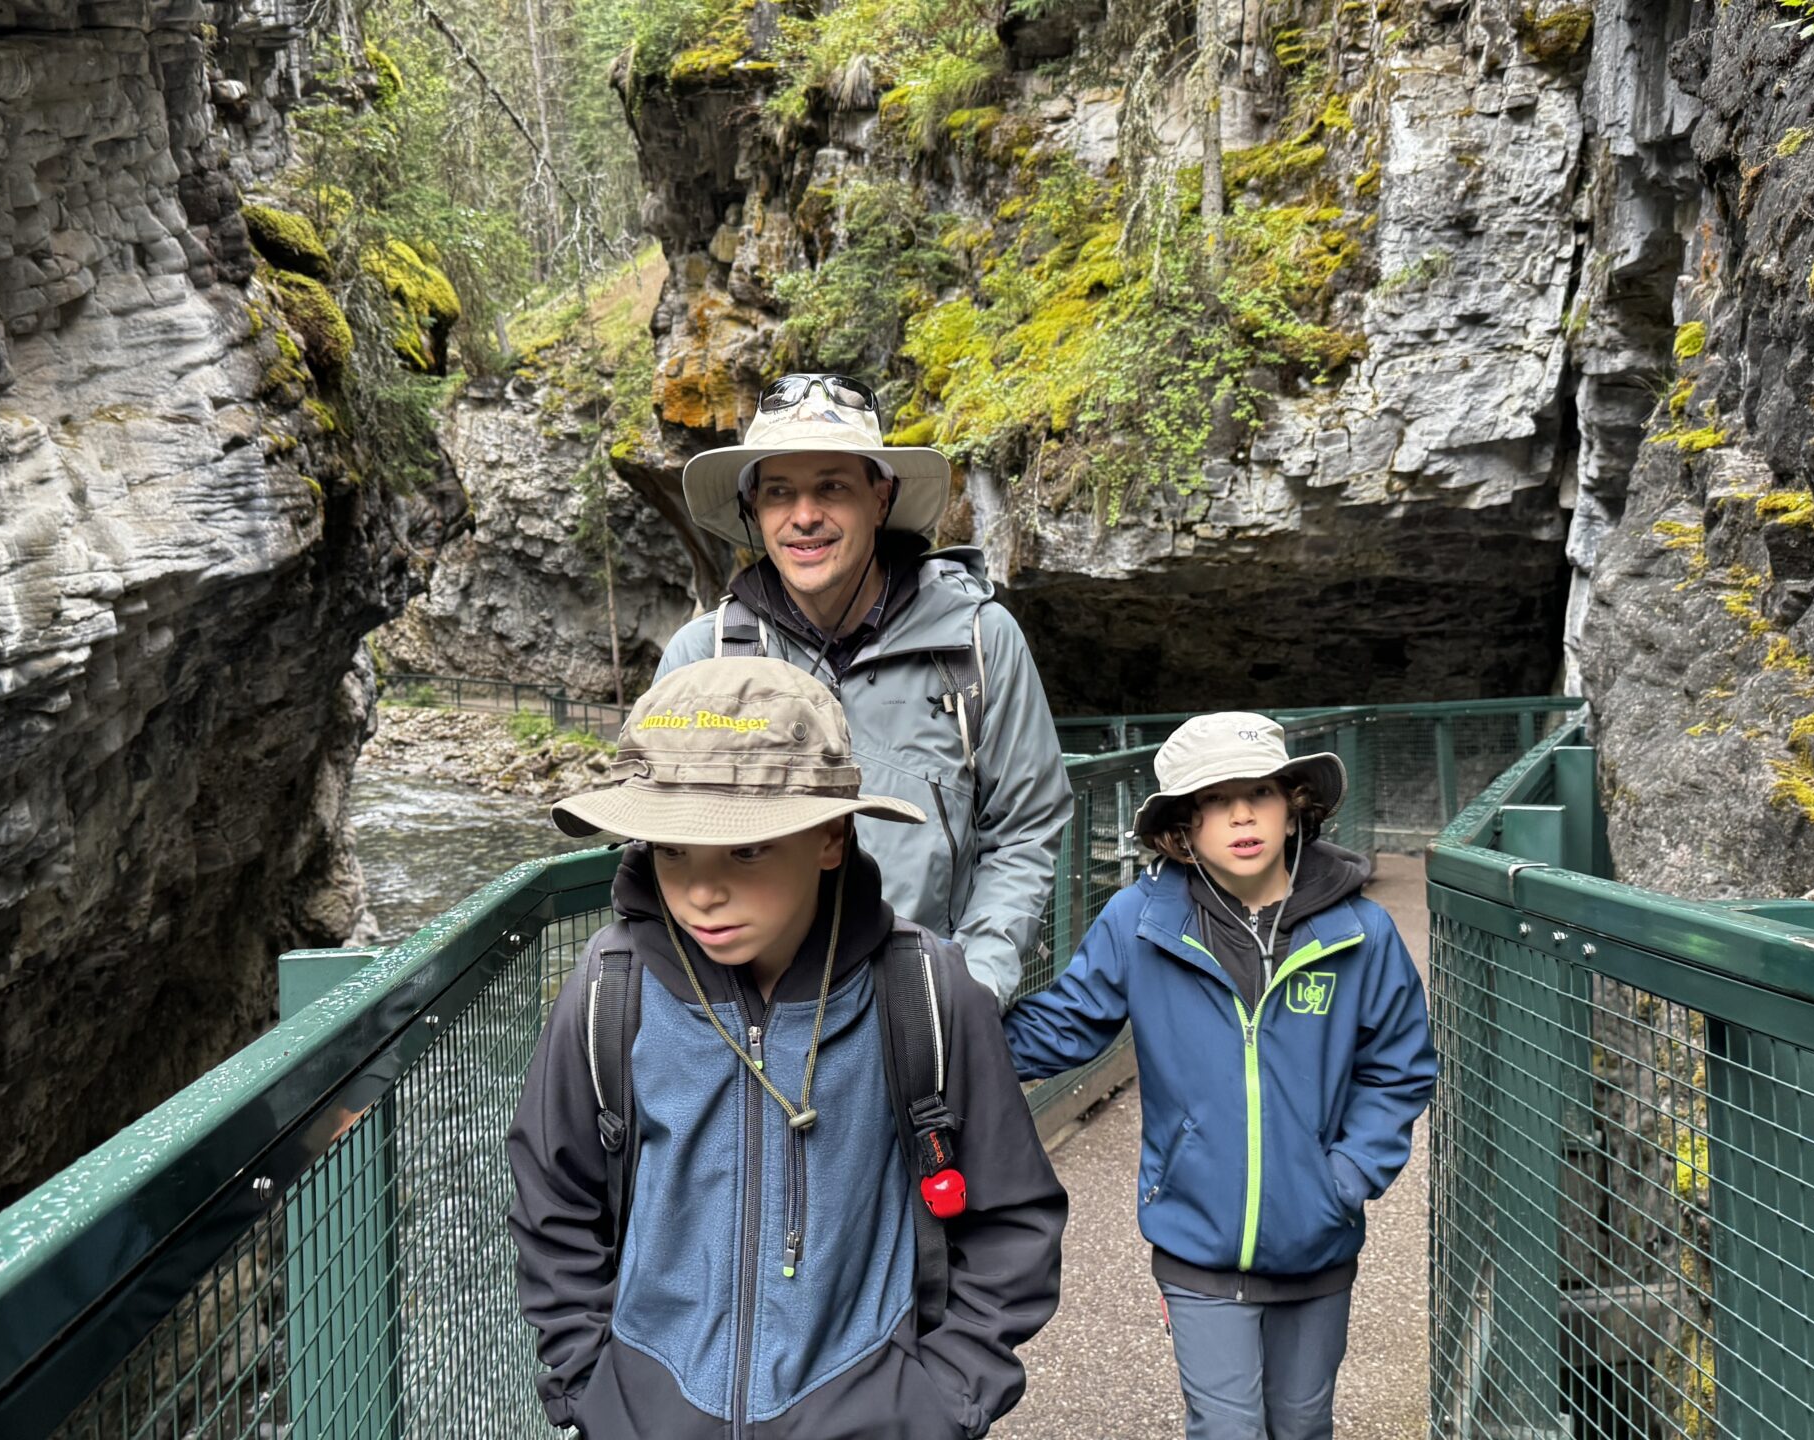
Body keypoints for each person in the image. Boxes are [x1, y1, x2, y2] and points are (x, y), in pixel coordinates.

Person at [508, 657, 1068, 1440]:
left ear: (831, 836)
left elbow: (1012, 1216)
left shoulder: (925, 990)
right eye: (673, 849)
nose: (702, 891)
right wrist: (591, 1389)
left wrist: (940, 1403)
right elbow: (554, 1204)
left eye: (745, 850)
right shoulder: (610, 990)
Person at [1001, 712, 1437, 1440]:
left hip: (1320, 1243)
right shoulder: (1141, 922)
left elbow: (1399, 1063)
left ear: (1294, 807)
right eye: (1215, 799)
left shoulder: (1361, 931)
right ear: (1183, 828)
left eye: (1260, 792)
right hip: (1197, 1245)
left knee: (1303, 1426)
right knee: (1226, 1428)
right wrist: (946, 1031)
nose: (1241, 814)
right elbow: (1067, 1024)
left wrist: (1349, 1174)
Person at [654, 372, 1072, 1005]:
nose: (804, 516)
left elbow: (1025, 826)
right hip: (754, 1026)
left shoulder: (979, 642)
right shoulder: (702, 659)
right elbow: (661, 840)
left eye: (832, 487)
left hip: (927, 1009)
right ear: (754, 511)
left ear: (880, 498)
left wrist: (974, 988)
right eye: (779, 493)